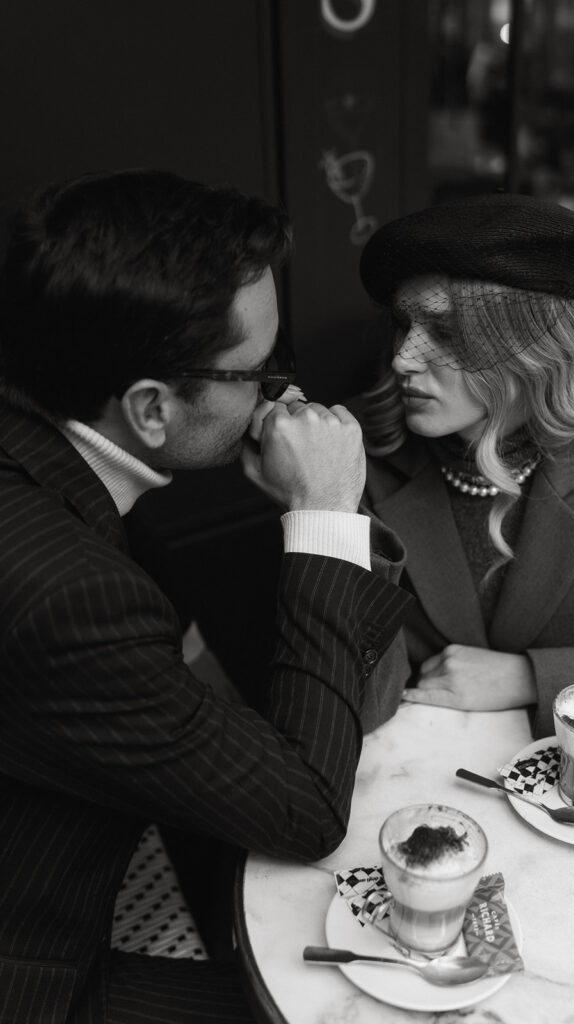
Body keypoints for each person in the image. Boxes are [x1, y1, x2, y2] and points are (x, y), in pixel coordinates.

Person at [0, 169, 411, 1024]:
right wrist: (326, 512)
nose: (279, 388)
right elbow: (304, 811)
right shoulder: (71, 597)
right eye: (257, 369)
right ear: (151, 408)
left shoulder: (42, 458)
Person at [352, 192, 574, 739]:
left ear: (530, 350)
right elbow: (349, 705)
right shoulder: (362, 470)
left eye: (445, 332)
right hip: (418, 793)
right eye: (403, 324)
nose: (402, 357)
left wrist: (535, 678)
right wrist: (320, 511)